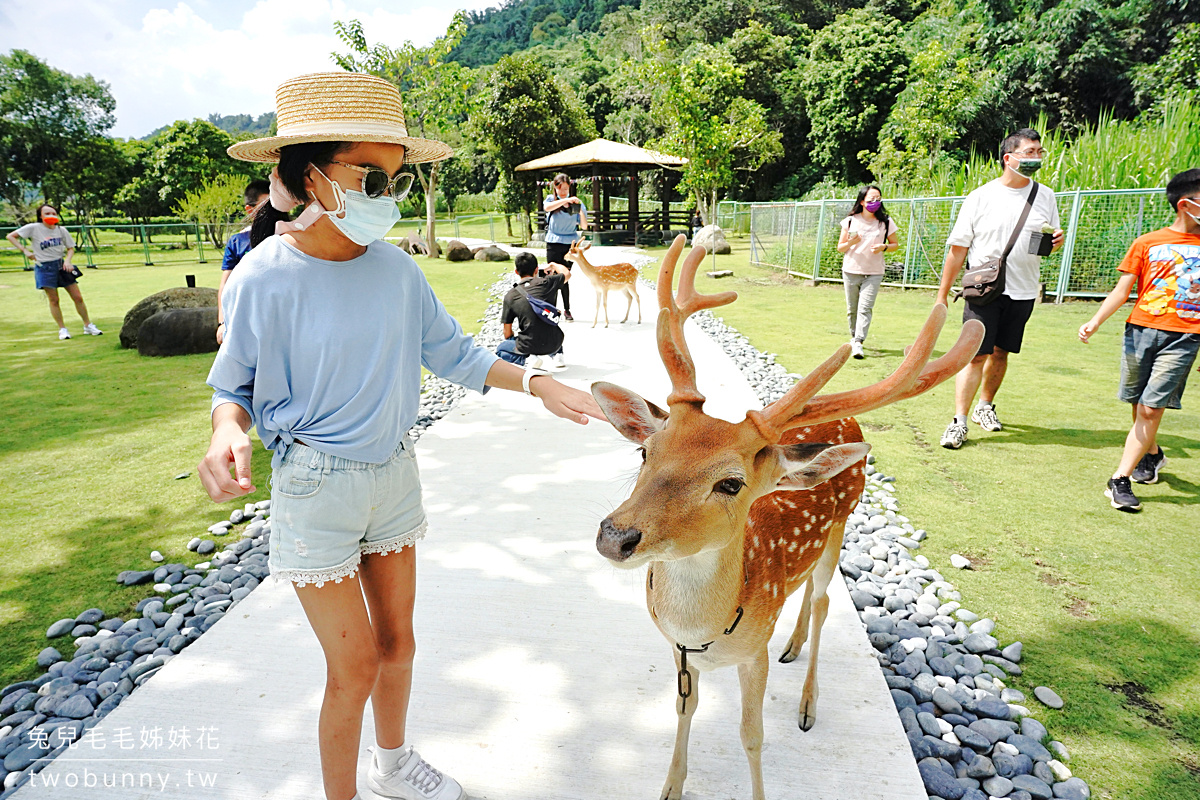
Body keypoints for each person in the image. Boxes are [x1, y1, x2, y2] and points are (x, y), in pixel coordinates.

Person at [198, 72, 602, 800]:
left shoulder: (395, 270)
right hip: (315, 488)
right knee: (352, 666)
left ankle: (391, 768)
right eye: (373, 177)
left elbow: (456, 354)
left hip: (393, 476)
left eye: (398, 178)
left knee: (399, 645)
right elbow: (235, 389)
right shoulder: (263, 276)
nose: (389, 195)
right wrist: (227, 432)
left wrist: (541, 384)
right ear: (311, 177)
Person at [1077, 169, 1200, 512]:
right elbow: (1123, 290)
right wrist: (1095, 321)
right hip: (1140, 331)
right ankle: (1154, 455)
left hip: (1185, 337)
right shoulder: (1148, 242)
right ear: (1186, 204)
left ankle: (1120, 479)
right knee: (1137, 402)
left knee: (1150, 408)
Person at [935, 128, 1064, 449]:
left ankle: (985, 407)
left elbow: (1044, 243)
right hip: (984, 290)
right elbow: (958, 249)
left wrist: (1055, 244)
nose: (1036, 158)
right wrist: (942, 295)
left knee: (1002, 352)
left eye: (1039, 152)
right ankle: (959, 422)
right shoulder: (981, 196)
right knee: (975, 355)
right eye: (1029, 152)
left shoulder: (1045, 196)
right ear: (1009, 158)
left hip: (1023, 291)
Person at [6, 205, 102, 340]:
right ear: (41, 216)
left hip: (61, 265)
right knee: (54, 299)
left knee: (77, 297)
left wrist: (67, 261)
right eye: (47, 213)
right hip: (44, 267)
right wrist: (25, 251)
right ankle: (62, 329)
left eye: (53, 212)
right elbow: (11, 236)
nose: (51, 215)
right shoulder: (33, 228)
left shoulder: (61, 230)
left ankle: (88, 325)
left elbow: (70, 248)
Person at [836, 185, 900, 359]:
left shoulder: (885, 222)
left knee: (865, 308)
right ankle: (853, 336)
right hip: (851, 270)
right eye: (871, 199)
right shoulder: (850, 221)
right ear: (862, 201)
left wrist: (884, 246)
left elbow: (895, 245)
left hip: (874, 272)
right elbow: (840, 248)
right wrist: (851, 242)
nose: (875, 202)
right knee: (852, 309)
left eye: (878, 199)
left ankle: (858, 342)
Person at [217, 179, 271, 345]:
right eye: (266, 205)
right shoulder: (237, 242)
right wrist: (222, 322)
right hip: (246, 319)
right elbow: (225, 285)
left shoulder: (290, 236)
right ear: (250, 209)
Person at [496, 252, 570, 369]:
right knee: (547, 325)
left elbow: (507, 332)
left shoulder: (510, 296)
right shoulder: (547, 282)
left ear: (516, 271)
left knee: (501, 350)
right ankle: (558, 355)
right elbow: (567, 273)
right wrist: (553, 264)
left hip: (529, 345)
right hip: (555, 342)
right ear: (536, 269)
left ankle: (527, 359)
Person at [542, 173, 588, 321]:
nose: (563, 192)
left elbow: (584, 225)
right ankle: (551, 309)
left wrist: (579, 209)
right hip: (553, 242)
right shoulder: (551, 200)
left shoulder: (576, 203)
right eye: (561, 189)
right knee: (552, 276)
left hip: (569, 245)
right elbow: (547, 208)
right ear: (555, 188)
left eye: (566, 189)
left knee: (564, 277)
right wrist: (565, 200)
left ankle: (567, 309)